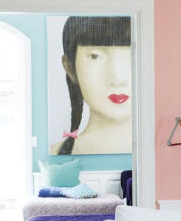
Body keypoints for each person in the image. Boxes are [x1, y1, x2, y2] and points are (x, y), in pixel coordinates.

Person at [51, 16, 132, 155]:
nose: (118, 78)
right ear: (70, 67)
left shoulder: (154, 155)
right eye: (95, 56)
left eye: (133, 55)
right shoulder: (54, 152)